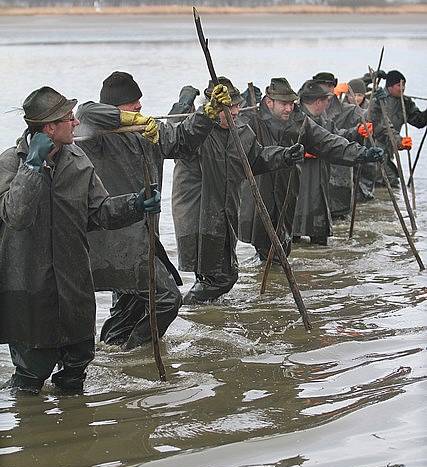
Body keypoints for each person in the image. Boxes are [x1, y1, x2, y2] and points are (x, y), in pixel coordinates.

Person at [0, 87, 160, 393]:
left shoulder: (78, 159)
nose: (75, 123)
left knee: (76, 376)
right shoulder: (10, 162)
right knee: (29, 382)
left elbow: (99, 212)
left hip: (75, 287)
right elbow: (16, 215)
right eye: (68, 118)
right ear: (49, 128)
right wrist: (32, 167)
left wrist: (135, 204)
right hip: (32, 291)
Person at [76, 72, 227, 350]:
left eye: (139, 102)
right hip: (118, 240)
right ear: (114, 108)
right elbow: (85, 111)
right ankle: (137, 350)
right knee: (168, 298)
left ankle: (114, 354)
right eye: (132, 103)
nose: (139, 107)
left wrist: (207, 113)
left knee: (127, 311)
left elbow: (181, 140)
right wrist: (130, 120)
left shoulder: (147, 131)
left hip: (145, 235)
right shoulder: (96, 136)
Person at [172, 76, 305, 305]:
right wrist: (186, 106)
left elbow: (256, 158)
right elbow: (176, 138)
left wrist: (284, 155)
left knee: (217, 275)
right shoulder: (196, 130)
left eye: (236, 106)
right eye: (229, 107)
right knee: (222, 276)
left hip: (225, 212)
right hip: (197, 213)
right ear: (213, 107)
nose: (235, 111)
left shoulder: (242, 132)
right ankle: (185, 306)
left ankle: (201, 316)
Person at [239, 77, 381, 256]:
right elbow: (244, 153)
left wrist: (361, 153)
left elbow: (328, 142)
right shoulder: (252, 121)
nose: (289, 108)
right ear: (269, 102)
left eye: (291, 103)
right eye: (283, 104)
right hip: (258, 194)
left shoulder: (299, 122)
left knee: (281, 249)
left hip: (287, 192)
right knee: (265, 246)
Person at [292, 80, 380, 246]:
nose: (329, 104)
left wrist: (356, 133)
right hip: (299, 177)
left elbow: (335, 138)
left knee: (318, 224)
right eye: (327, 100)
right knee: (295, 223)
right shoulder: (295, 117)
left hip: (320, 176)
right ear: (318, 101)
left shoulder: (323, 118)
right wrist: (302, 152)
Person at [311, 72, 366, 218]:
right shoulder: (305, 104)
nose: (327, 89)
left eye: (330, 86)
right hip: (312, 166)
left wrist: (357, 131)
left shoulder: (347, 109)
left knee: (337, 213)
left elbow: (334, 133)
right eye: (324, 86)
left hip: (337, 165)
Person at [371, 69, 427, 187]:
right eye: (399, 85)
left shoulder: (405, 102)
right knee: (388, 183)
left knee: (390, 183)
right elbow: (381, 128)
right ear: (390, 87)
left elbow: (419, 121)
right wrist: (399, 141)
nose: (402, 88)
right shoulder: (378, 100)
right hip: (374, 148)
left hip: (390, 151)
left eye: (404, 85)